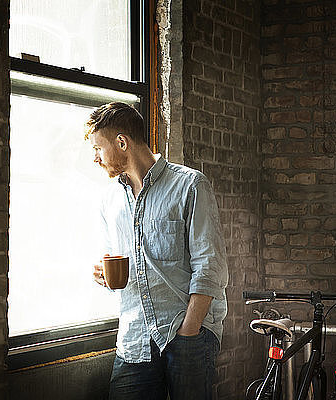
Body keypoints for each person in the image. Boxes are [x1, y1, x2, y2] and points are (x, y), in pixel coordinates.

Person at [85, 102, 228, 400]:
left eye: (98, 148)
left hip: (187, 334)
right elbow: (118, 263)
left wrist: (190, 330)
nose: (95, 158)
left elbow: (209, 265)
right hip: (134, 338)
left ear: (122, 142)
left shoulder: (190, 186)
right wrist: (103, 274)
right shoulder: (108, 201)